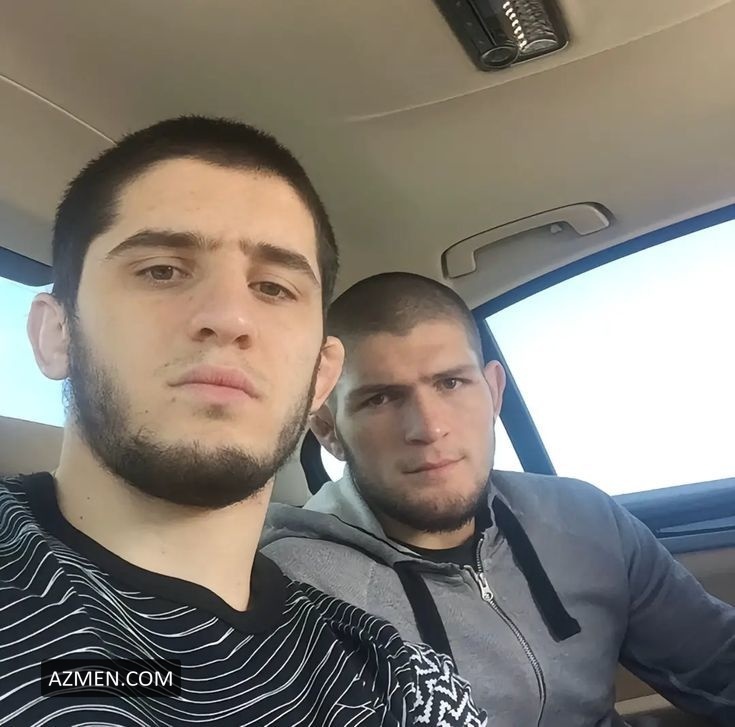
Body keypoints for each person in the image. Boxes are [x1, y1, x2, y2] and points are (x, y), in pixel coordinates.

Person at [0, 120, 488, 727]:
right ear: (55, 334)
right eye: (162, 270)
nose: (230, 317)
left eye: (274, 287)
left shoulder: (401, 680)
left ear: (321, 377)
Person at [262, 271, 735, 727]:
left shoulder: (584, 518)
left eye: (451, 383)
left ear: (493, 391)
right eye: (381, 398)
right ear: (327, 428)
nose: (429, 428)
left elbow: (717, 663)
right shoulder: (295, 595)